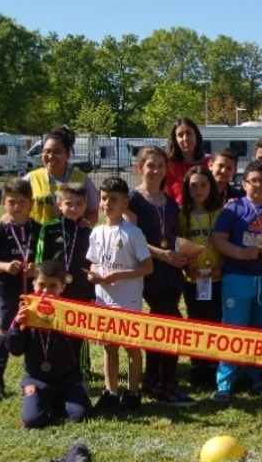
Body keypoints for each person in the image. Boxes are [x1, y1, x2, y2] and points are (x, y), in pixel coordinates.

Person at [126, 146, 195, 407]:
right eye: (150, 165)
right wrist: (163, 255)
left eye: (160, 166)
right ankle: (168, 384)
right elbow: (132, 238)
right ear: (140, 168)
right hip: (149, 269)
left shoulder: (169, 202)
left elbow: (173, 236)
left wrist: (185, 256)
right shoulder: (133, 199)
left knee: (159, 323)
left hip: (172, 270)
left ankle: (152, 378)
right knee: (172, 323)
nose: (156, 170)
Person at [212, 160, 262, 402]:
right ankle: (225, 382)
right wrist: (241, 253)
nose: (259, 185)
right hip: (237, 278)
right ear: (244, 184)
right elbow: (218, 239)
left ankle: (256, 375)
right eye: (254, 181)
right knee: (234, 330)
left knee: (259, 330)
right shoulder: (233, 210)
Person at [86, 176, 153, 412]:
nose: (107, 204)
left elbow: (147, 267)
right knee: (109, 346)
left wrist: (119, 275)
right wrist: (93, 273)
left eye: (113, 199)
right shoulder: (96, 232)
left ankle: (133, 393)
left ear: (125, 203)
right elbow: (94, 261)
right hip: (104, 299)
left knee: (132, 347)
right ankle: (111, 392)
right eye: (104, 198)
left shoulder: (133, 233)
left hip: (128, 300)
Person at [7, 260, 92, 428]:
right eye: (41, 285)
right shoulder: (26, 312)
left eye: (53, 286)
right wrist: (17, 325)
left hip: (68, 379)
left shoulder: (70, 314)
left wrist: (67, 326)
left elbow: (79, 344)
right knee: (32, 421)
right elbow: (15, 350)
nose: (46, 291)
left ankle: (58, 399)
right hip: (38, 380)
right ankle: (41, 397)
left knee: (81, 416)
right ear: (33, 283)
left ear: (62, 287)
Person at [0, 180, 41, 402]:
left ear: (31, 203)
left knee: (34, 333)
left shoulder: (38, 229)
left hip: (34, 293)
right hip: (7, 292)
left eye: (22, 201)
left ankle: (34, 378)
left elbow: (47, 261)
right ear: (3, 203)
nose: (16, 206)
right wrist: (5, 266)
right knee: (5, 333)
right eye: (11, 202)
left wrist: (36, 270)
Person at [35, 183, 94, 384]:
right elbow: (40, 262)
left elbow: (93, 264)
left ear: (85, 205)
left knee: (78, 332)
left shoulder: (88, 232)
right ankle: (54, 369)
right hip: (53, 291)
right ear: (59, 204)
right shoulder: (49, 228)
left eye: (79, 204)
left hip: (80, 289)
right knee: (53, 331)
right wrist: (41, 290)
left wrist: (92, 293)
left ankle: (80, 370)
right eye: (69, 203)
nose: (74, 208)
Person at [178, 166, 224, 387]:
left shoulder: (220, 213)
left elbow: (226, 244)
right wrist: (187, 267)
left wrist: (221, 267)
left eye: (203, 185)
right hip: (193, 279)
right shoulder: (182, 214)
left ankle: (214, 365)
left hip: (216, 277)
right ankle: (198, 365)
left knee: (214, 321)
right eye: (193, 185)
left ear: (211, 187)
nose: (198, 190)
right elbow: (179, 244)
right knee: (195, 321)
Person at [25, 126, 99, 226]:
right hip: (39, 235)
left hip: (72, 235)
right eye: (47, 151)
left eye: (57, 152)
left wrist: (81, 227)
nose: (51, 156)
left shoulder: (82, 179)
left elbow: (93, 213)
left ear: (67, 154)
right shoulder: (31, 179)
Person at [165, 118, 209, 205]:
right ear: (175, 140)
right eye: (180, 135)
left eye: (189, 133)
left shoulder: (209, 163)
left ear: (196, 135)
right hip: (175, 212)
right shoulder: (167, 166)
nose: (185, 138)